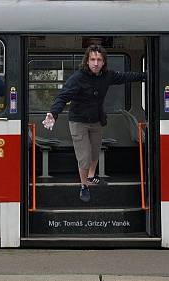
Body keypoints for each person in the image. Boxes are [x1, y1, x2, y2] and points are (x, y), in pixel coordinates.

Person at [43, 44, 146, 202]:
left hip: (96, 120)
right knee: (84, 157)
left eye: (99, 59)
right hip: (78, 122)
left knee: (95, 152)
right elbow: (62, 97)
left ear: (104, 62)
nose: (96, 63)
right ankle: (84, 186)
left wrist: (145, 76)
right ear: (87, 61)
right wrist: (53, 114)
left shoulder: (107, 76)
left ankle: (91, 176)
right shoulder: (77, 78)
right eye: (92, 59)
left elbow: (126, 77)